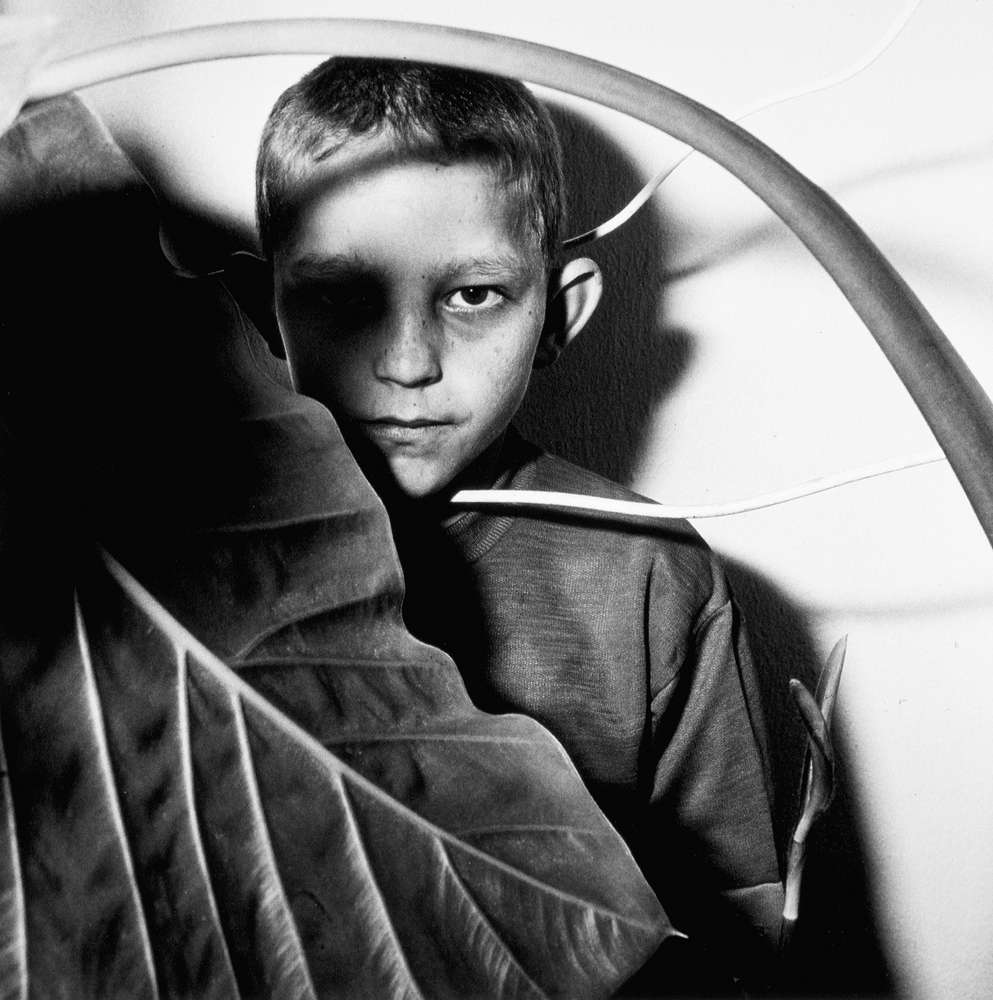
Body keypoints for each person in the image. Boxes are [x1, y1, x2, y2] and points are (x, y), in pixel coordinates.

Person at [255, 56, 784, 995]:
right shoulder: (160, 556)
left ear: (557, 314)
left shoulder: (646, 577)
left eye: (471, 295)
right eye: (342, 295)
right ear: (266, 308)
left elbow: (736, 932)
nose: (407, 362)